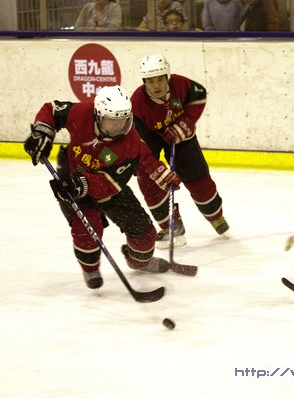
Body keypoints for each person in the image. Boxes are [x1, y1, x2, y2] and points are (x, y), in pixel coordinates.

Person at [23, 86, 181, 289]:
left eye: (122, 120)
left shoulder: (130, 142)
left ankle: (138, 261)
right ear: (97, 115)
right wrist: (42, 132)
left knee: (144, 234)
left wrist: (161, 173)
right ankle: (91, 269)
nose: (117, 126)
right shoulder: (83, 113)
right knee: (87, 227)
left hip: (107, 186)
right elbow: (53, 110)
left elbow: (112, 182)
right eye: (110, 120)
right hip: (71, 175)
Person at [131, 54, 229, 248]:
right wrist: (156, 170)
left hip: (178, 132)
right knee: (147, 176)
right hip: (149, 136)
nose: (156, 85)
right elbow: (138, 145)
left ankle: (215, 215)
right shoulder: (136, 104)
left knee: (196, 173)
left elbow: (199, 95)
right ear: (144, 82)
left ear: (167, 76)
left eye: (160, 79)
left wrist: (185, 124)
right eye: (150, 81)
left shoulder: (180, 84)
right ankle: (171, 224)